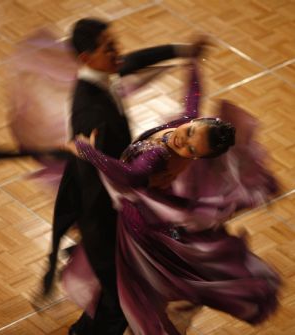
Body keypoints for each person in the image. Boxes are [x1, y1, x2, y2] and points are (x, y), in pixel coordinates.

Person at [63, 58, 281, 335]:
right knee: (119, 278)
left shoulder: (157, 157)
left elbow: (129, 177)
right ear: (197, 122)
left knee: (126, 286)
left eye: (191, 149)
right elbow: (192, 100)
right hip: (146, 212)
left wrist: (86, 150)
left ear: (199, 157)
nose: (183, 141)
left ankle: (92, 329)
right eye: (190, 133)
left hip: (137, 224)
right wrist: (195, 63)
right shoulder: (186, 123)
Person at [40, 18, 211, 335]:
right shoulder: (89, 113)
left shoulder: (102, 73)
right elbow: (93, 178)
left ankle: (85, 329)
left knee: (120, 287)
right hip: (104, 214)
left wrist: (183, 50)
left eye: (114, 42)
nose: (118, 51)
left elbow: (132, 60)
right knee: (122, 293)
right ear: (86, 58)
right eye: (109, 47)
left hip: (117, 208)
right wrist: (106, 225)